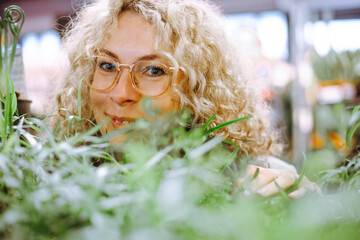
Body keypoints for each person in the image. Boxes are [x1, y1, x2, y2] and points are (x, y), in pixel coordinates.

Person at [53, 0, 318, 198]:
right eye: (107, 66)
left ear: (197, 89)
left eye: (153, 70)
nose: (121, 93)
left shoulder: (248, 181)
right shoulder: (54, 182)